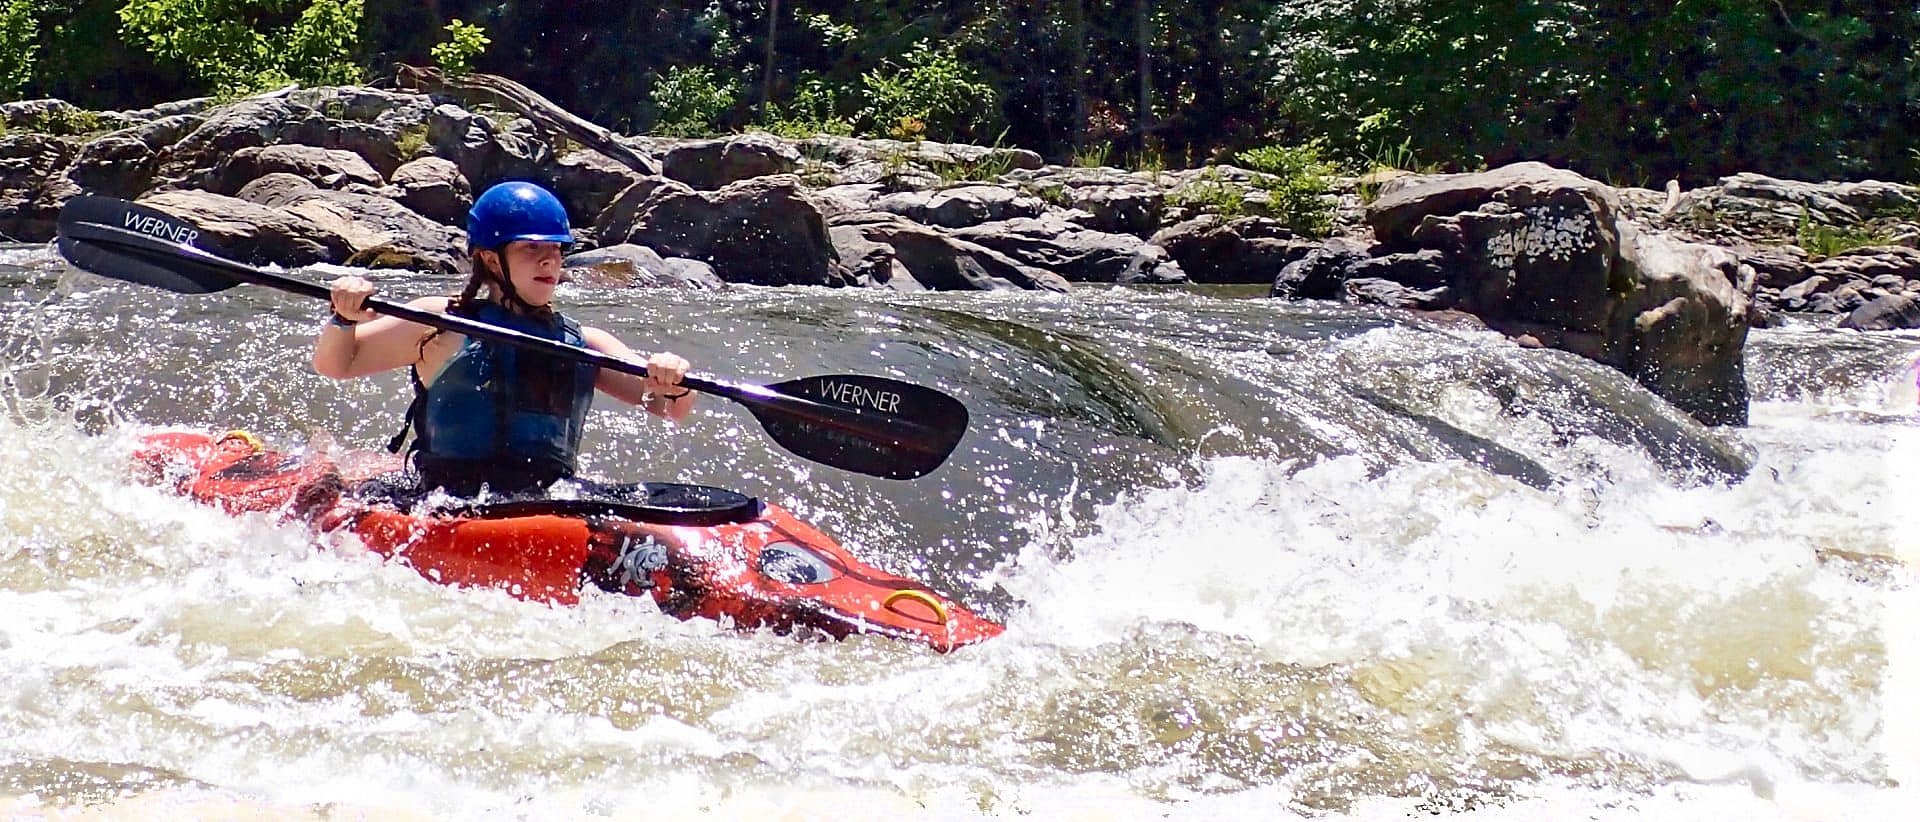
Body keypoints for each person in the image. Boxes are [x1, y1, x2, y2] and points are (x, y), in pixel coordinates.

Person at [312, 180, 696, 497]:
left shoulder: (587, 343)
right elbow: (337, 364)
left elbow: (668, 407)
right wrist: (344, 317)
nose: (549, 260)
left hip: (549, 500)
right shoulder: (441, 322)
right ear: (491, 259)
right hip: (446, 499)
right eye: (532, 248)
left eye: (556, 249)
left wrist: (673, 379)